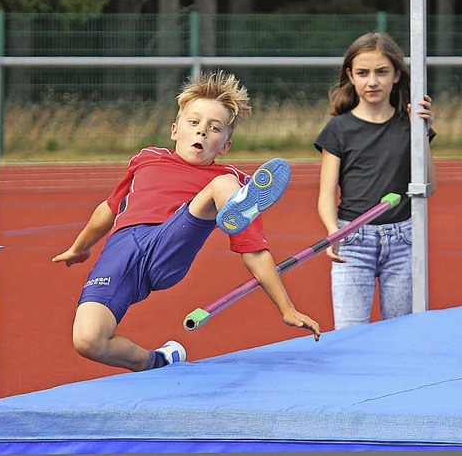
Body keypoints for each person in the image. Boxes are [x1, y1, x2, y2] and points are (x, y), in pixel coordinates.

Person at [53, 70, 321, 372]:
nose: (202, 132)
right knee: (88, 340)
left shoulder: (224, 177)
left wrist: (286, 308)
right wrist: (80, 247)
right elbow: (109, 208)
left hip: (172, 240)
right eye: (194, 123)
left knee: (222, 185)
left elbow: (255, 251)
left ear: (225, 146)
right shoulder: (146, 159)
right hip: (121, 252)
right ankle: (159, 361)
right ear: (175, 130)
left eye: (214, 128)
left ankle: (239, 206)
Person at [314, 32, 437, 329]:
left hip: (404, 241)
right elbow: (327, 193)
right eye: (363, 73)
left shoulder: (410, 125)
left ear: (396, 75)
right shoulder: (339, 129)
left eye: (381, 72)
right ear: (350, 76)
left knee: (403, 333)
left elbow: (429, 186)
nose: (372, 81)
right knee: (349, 333)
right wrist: (333, 232)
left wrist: (422, 133)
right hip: (353, 240)